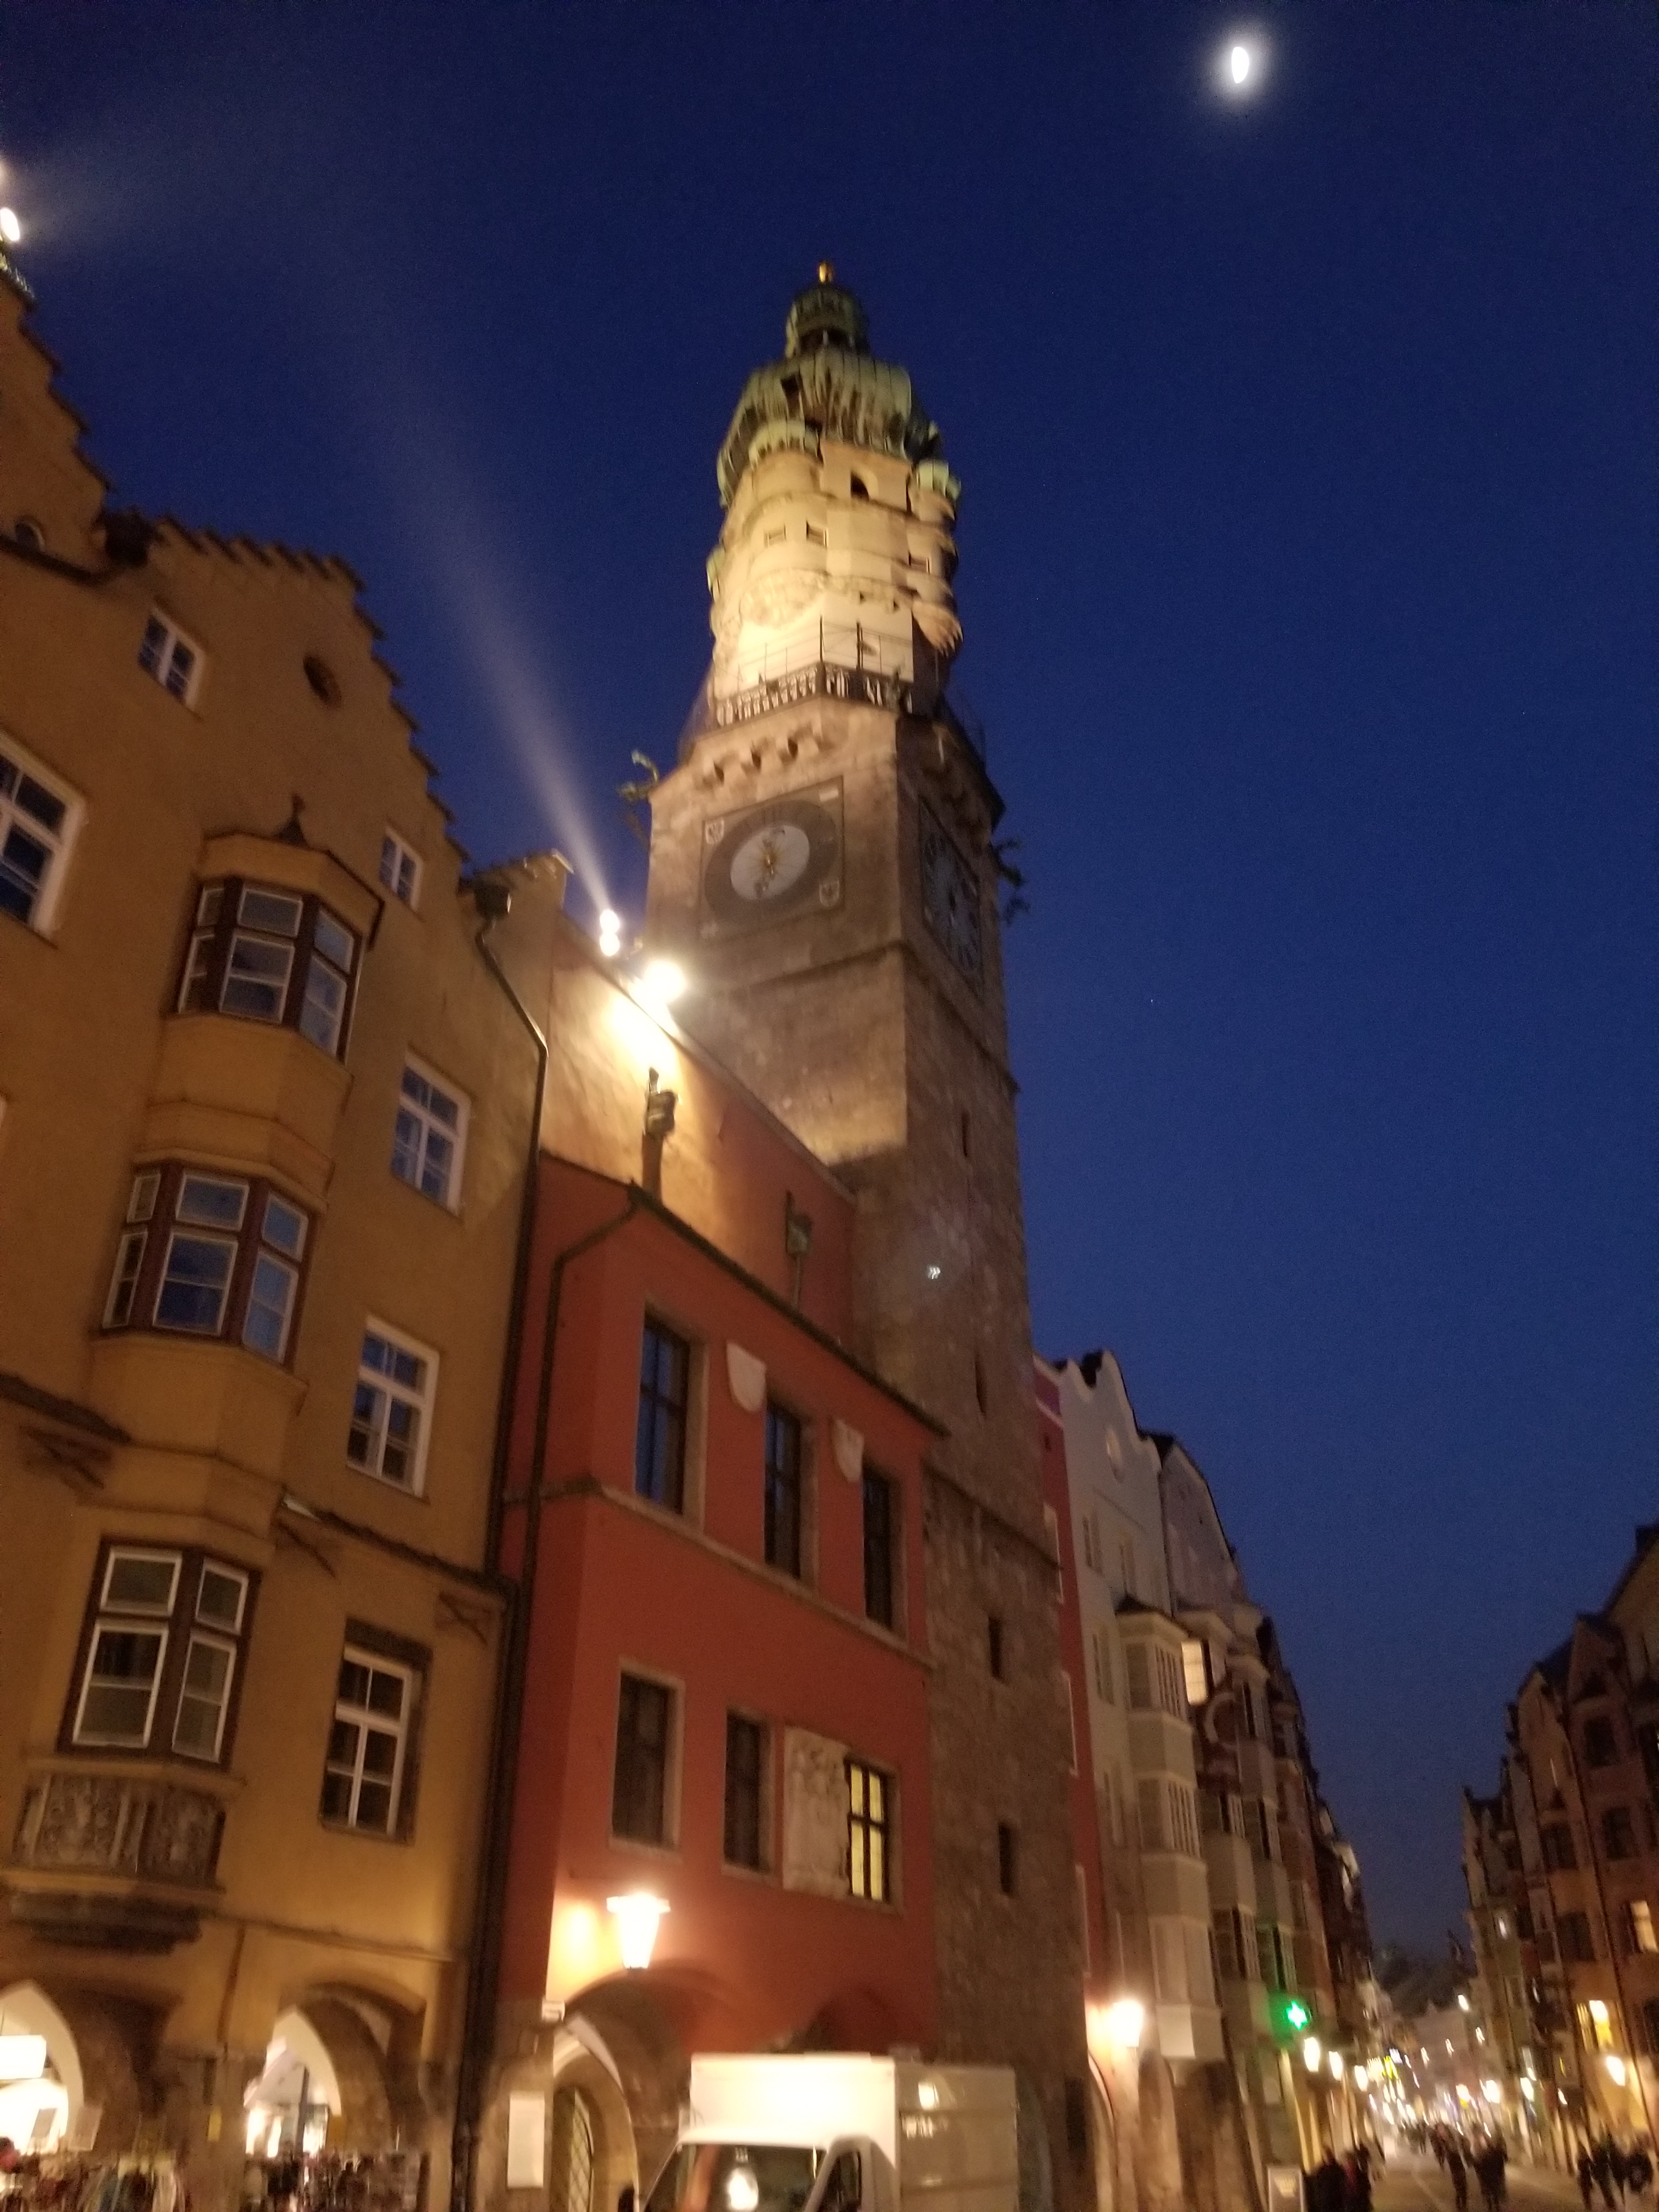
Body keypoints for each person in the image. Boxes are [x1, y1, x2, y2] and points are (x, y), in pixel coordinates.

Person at [1447, 2143, 1469, 2212]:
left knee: (1461, 2190)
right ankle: (1461, 2205)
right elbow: (1459, 2166)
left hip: (1458, 2174)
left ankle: (1461, 2205)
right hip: (1458, 2174)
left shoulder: (1453, 2156)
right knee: (1461, 2190)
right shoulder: (1453, 2156)